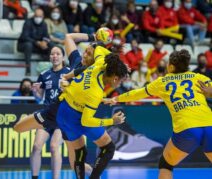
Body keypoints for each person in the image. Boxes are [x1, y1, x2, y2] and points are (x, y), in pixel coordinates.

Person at [104, 49, 212, 179]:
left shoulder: (163, 82)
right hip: (209, 125)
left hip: (187, 127)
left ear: (171, 66)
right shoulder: (198, 77)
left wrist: (115, 98)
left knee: (165, 164)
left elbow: (138, 93)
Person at [13, 32, 106, 176]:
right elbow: (68, 37)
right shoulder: (70, 65)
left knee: (59, 149)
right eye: (52, 54)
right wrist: (94, 36)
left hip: (67, 118)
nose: (84, 54)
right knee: (33, 142)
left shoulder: (89, 73)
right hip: (50, 112)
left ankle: (92, 174)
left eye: (88, 53)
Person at [56, 47, 128, 178]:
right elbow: (86, 121)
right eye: (121, 81)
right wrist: (112, 121)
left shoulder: (100, 63)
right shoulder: (95, 92)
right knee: (108, 148)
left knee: (80, 151)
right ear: (115, 78)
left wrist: (118, 62)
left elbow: (99, 48)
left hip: (63, 111)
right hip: (76, 117)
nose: (120, 84)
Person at [25, 46, 69, 179]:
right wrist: (35, 91)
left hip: (62, 118)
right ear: (50, 57)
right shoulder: (44, 75)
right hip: (46, 115)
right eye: (52, 54)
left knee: (54, 147)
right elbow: (39, 97)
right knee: (36, 146)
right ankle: (34, 177)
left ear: (62, 57)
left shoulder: (69, 73)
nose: (55, 56)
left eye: (58, 53)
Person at [17, 8, 53, 76]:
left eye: (40, 16)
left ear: (43, 16)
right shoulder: (28, 22)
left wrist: (45, 42)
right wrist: (37, 42)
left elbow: (46, 36)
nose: (38, 18)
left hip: (38, 46)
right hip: (24, 45)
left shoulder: (44, 24)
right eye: (36, 16)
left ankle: (48, 68)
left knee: (51, 45)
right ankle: (28, 69)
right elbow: (25, 37)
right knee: (28, 45)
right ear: (34, 15)